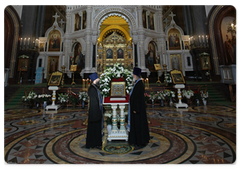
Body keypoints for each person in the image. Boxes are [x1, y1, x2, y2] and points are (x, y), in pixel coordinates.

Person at [127, 67, 150, 148]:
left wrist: (135, 109)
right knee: (137, 124)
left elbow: (138, 98)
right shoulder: (138, 83)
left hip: (137, 110)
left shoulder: (139, 84)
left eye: (133, 74)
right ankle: (137, 140)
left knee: (138, 125)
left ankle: (139, 141)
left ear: (135, 75)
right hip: (137, 109)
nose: (133, 76)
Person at [86, 72, 104, 149]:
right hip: (94, 113)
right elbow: (94, 103)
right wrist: (97, 113)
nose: (99, 80)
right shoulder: (92, 89)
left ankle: (96, 142)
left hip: (96, 113)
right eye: (97, 79)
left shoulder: (94, 88)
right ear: (95, 80)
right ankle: (92, 143)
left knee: (96, 129)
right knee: (93, 129)